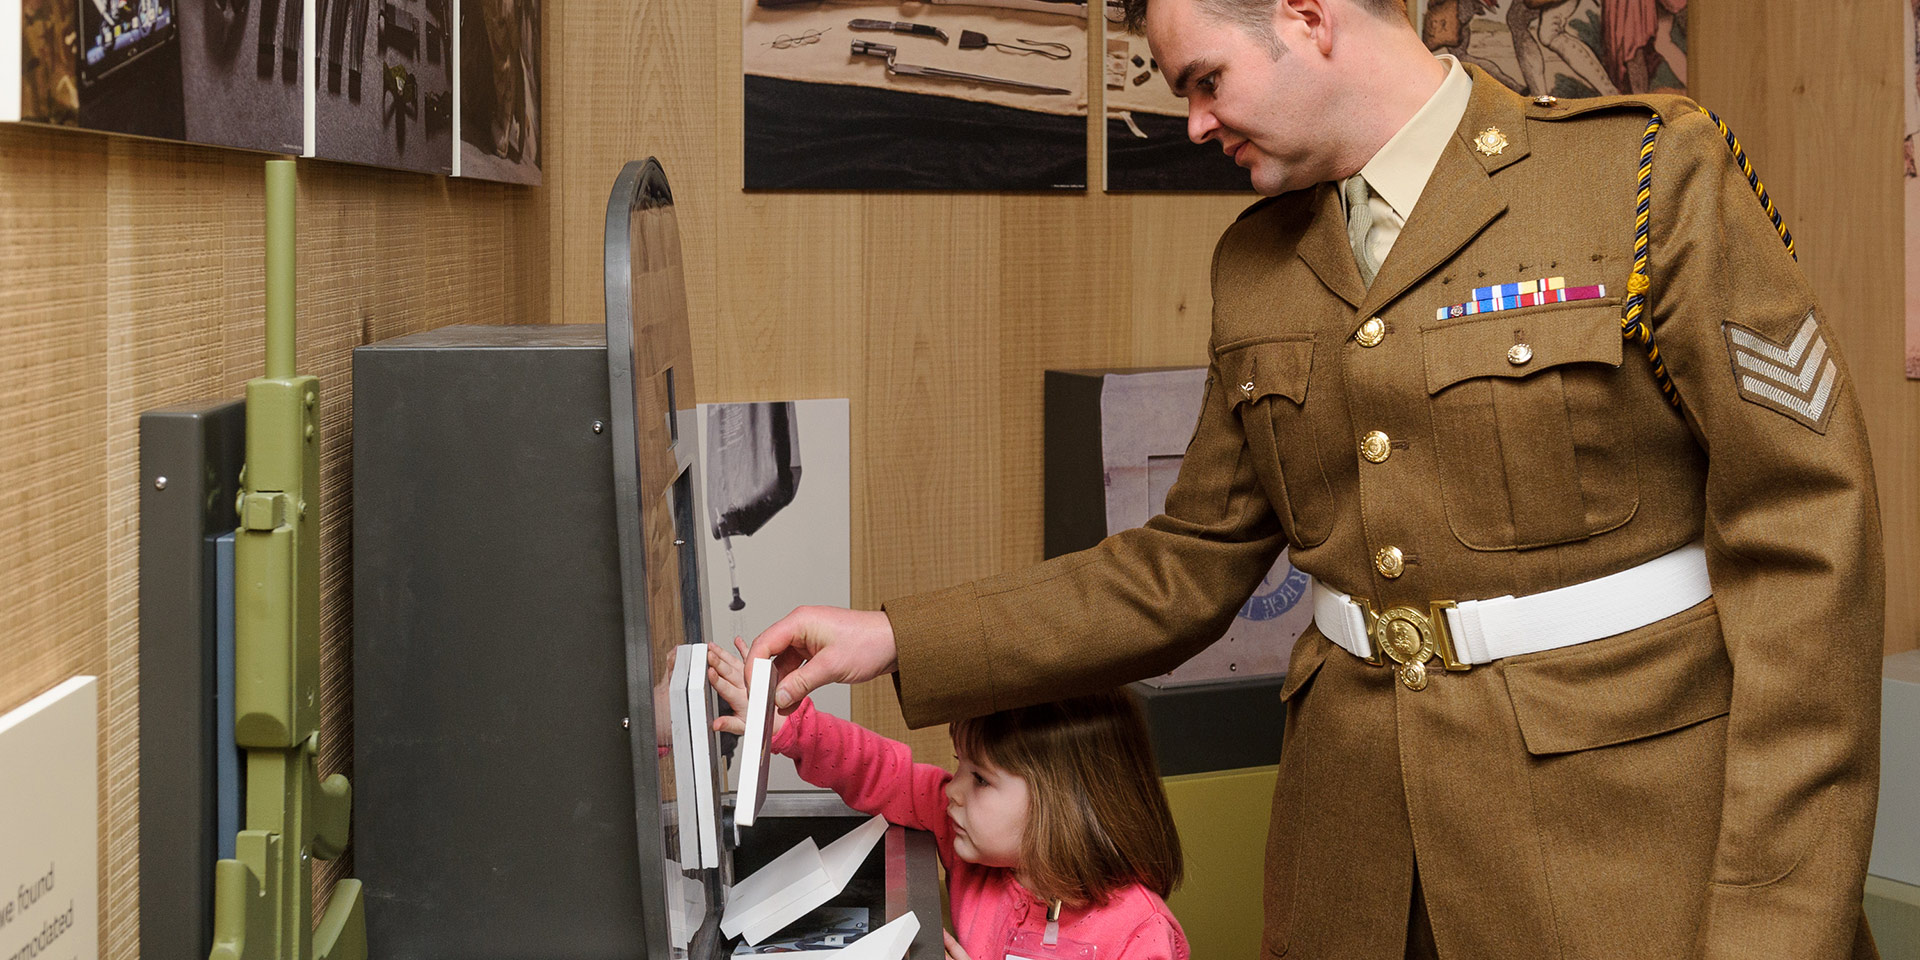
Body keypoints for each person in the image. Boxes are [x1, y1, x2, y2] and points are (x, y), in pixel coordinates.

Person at [748, 1, 1886, 957]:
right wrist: (893, 638)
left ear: (1306, 12)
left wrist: (1783, 915)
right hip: (1355, 863)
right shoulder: (1259, 261)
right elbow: (1182, 568)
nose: (1192, 124)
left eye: (1205, 79)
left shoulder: (1641, 173)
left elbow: (1806, 548)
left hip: (1625, 861)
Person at [704, 641, 1190, 960]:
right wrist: (790, 728)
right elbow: (883, 772)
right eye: (960, 765)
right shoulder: (974, 841)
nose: (952, 789)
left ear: (1062, 803)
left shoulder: (1139, 935)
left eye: (979, 778)